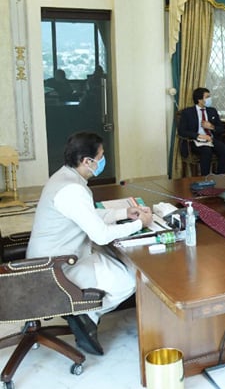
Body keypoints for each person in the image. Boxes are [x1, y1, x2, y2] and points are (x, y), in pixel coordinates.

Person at [26, 132, 153, 356]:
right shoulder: (72, 189)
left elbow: (87, 214)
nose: (103, 161)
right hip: (57, 268)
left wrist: (125, 212)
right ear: (87, 161)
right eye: (101, 156)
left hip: (50, 258)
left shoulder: (63, 177)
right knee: (132, 277)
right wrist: (140, 223)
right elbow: (102, 235)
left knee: (114, 258)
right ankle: (84, 314)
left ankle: (85, 316)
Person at [178, 87, 225, 175]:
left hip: (211, 139)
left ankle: (221, 176)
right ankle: (204, 178)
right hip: (195, 141)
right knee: (206, 150)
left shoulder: (212, 111)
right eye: (207, 97)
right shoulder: (187, 112)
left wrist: (211, 127)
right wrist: (199, 136)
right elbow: (182, 131)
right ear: (199, 99)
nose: (210, 99)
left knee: (224, 149)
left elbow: (221, 128)